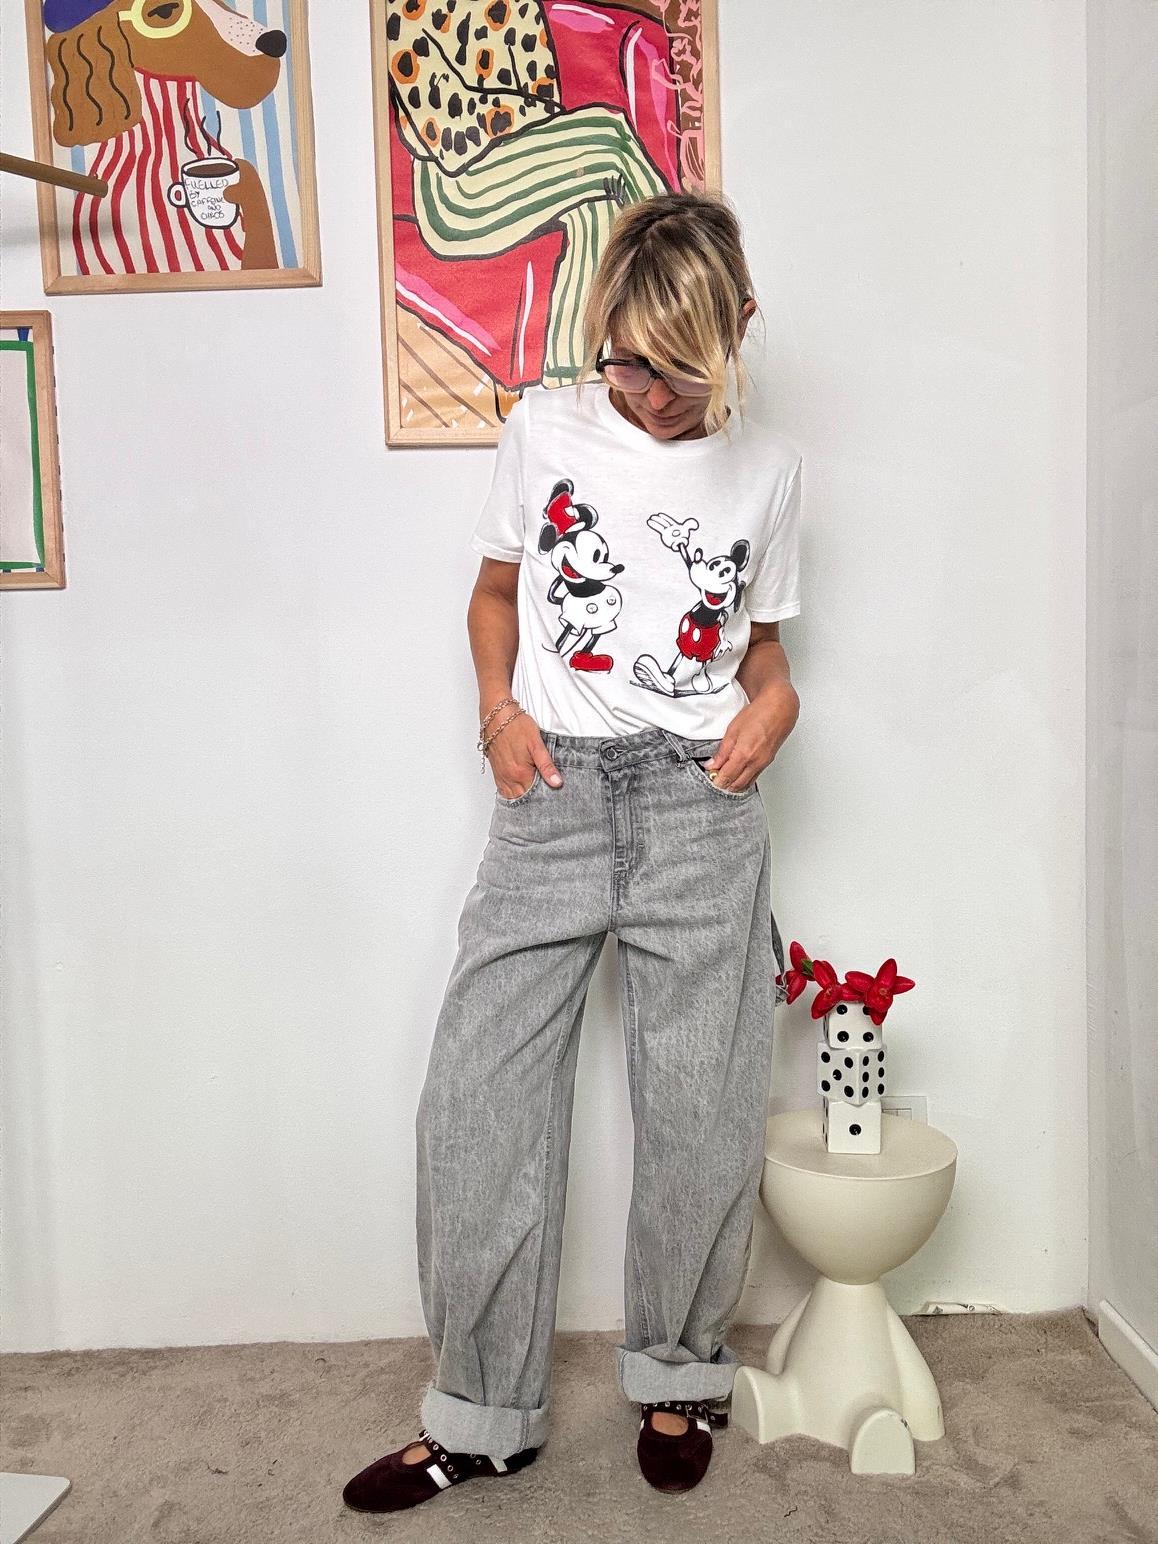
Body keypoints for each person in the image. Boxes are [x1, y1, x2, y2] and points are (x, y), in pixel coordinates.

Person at [343, 189, 802, 1514]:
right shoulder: (543, 428)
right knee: (477, 1106)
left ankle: (679, 1376)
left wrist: (776, 706)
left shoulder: (771, 470)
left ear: (738, 329)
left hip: (699, 806)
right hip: (552, 795)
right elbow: (495, 593)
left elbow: (763, 650)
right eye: (625, 360)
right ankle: (483, 1416)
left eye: (677, 369)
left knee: (702, 1111)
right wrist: (497, 714)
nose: (645, 394)